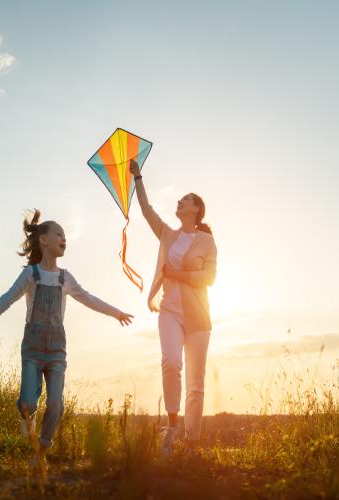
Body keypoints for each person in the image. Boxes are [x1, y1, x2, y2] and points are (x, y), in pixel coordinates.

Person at [0, 210, 133, 468]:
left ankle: (40, 453)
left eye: (65, 235)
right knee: (29, 403)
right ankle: (26, 411)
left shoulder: (66, 277)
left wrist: (115, 312)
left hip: (56, 348)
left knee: (56, 403)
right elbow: (7, 299)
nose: (65, 238)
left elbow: (89, 298)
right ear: (44, 240)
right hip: (32, 346)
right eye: (59, 234)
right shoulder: (30, 274)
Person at [129, 159, 217, 456]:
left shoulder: (206, 242)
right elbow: (146, 210)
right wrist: (137, 176)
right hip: (169, 311)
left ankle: (192, 443)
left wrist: (177, 274)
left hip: (198, 319)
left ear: (195, 210)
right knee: (170, 362)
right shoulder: (169, 235)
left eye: (185, 200)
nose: (179, 202)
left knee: (196, 381)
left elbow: (209, 278)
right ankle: (172, 426)